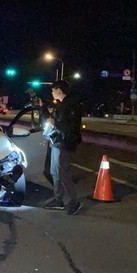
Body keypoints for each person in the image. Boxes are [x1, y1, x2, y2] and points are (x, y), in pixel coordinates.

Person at [42, 80, 83, 215]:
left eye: (53, 90)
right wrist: (45, 111)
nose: (52, 92)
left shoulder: (70, 105)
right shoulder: (62, 105)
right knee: (55, 172)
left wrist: (54, 122)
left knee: (63, 173)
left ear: (59, 90)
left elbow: (69, 127)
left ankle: (74, 201)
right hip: (57, 143)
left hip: (64, 144)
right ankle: (58, 200)